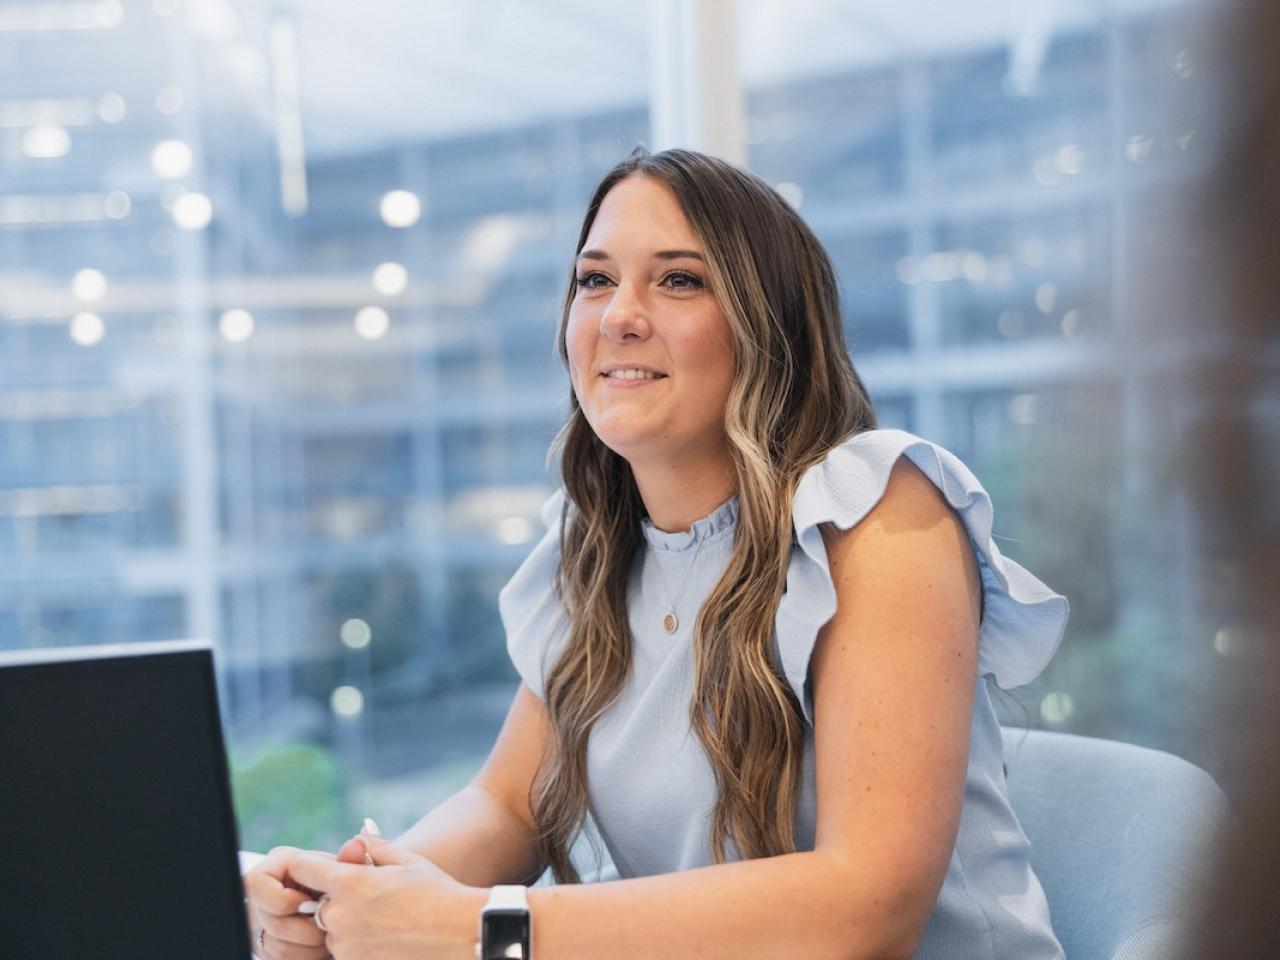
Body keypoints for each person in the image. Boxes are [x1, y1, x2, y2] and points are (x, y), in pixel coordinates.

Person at [244, 147, 1070, 959]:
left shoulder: (878, 509)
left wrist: (480, 929)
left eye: (678, 279)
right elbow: (506, 807)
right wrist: (354, 896)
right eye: (594, 280)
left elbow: (868, 904)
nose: (618, 316)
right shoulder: (596, 546)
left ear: (767, 326)